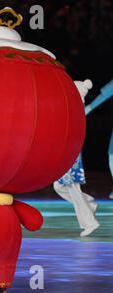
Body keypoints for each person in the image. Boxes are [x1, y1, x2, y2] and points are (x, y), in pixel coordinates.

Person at [53, 80, 100, 237]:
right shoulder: (73, 109)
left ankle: (90, 222)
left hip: (70, 154)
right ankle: (89, 204)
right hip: (67, 153)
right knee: (59, 187)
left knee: (73, 189)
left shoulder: (75, 111)